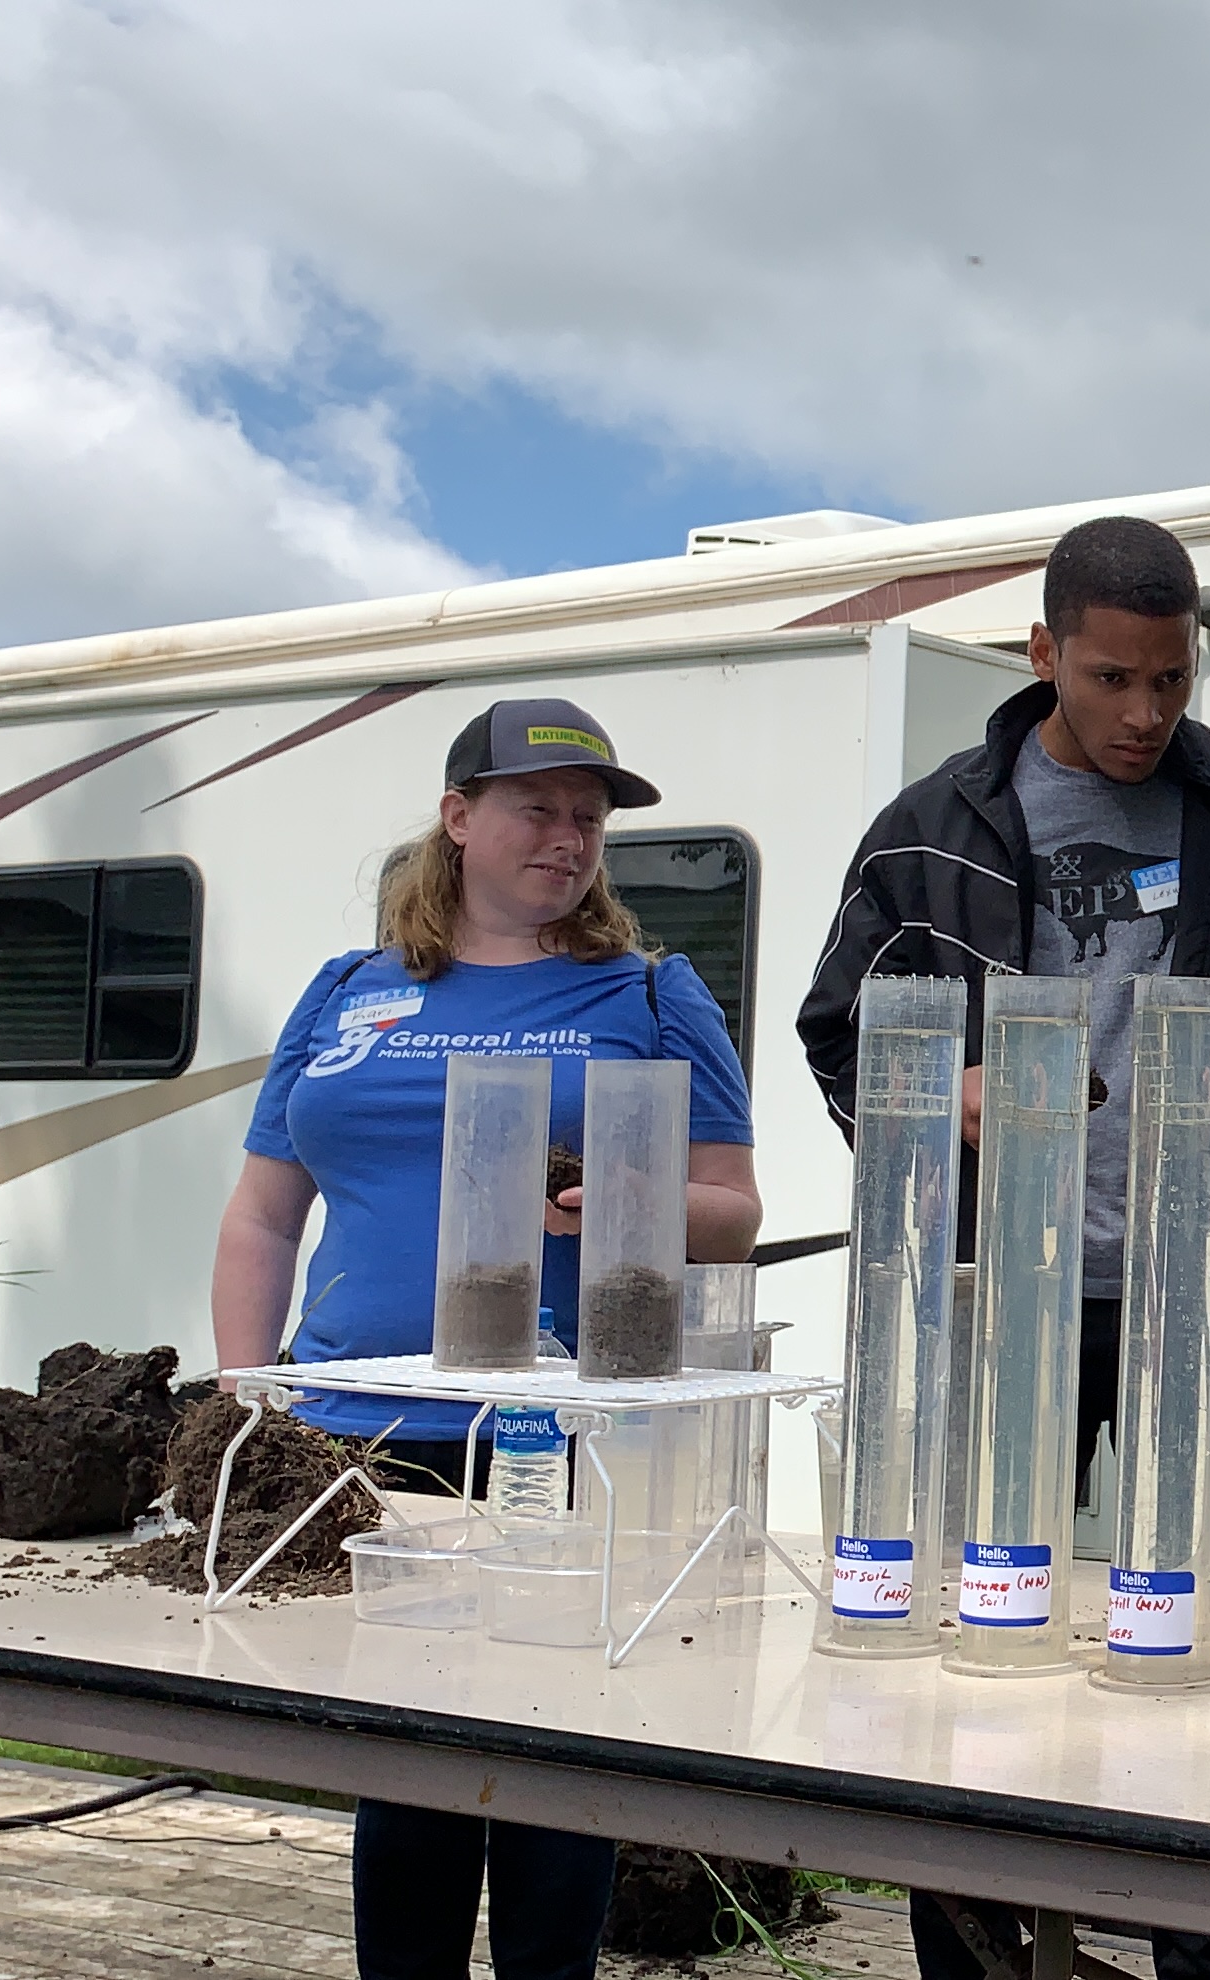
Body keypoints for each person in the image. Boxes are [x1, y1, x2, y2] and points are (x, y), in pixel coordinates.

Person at [793, 514, 1210, 1980]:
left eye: (1172, 681)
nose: (1144, 714)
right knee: (978, 1662)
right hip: (1007, 1305)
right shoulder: (928, 830)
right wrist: (943, 1097)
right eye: (1111, 678)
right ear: (1042, 651)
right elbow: (839, 1034)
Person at [211, 698, 762, 1980]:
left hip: (554, 1442)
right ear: (458, 819)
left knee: (550, 1763)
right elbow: (259, 1219)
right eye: (537, 810)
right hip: (355, 1441)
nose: (568, 839)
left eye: (589, 820)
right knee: (402, 1768)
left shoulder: (651, 993)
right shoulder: (346, 993)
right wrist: (247, 1402)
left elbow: (731, 1214)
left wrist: (617, 1200)